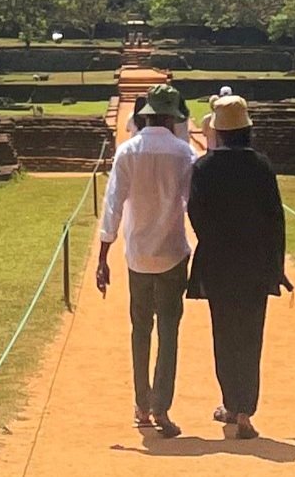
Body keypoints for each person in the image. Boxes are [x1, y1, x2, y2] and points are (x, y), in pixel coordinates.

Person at [186, 88, 289, 441]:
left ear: (219, 129)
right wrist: (277, 266)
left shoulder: (203, 167)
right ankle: (244, 410)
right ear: (246, 129)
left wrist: (216, 243)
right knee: (250, 337)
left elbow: (197, 215)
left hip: (219, 265)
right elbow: (275, 220)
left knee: (225, 335)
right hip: (255, 265)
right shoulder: (262, 166)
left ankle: (231, 403)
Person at [95, 83, 195, 439]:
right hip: (172, 253)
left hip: (137, 256)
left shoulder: (127, 152)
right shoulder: (184, 154)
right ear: (171, 117)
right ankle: (161, 406)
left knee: (141, 330)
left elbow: (112, 206)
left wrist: (103, 257)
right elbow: (194, 205)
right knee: (169, 332)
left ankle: (141, 404)